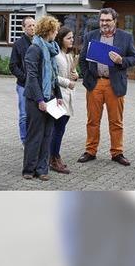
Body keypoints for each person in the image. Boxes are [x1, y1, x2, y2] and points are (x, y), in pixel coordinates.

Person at [77, 7, 135, 166]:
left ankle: (117, 152)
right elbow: (82, 59)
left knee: (116, 121)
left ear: (114, 21)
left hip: (114, 84)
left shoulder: (125, 37)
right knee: (92, 121)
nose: (104, 23)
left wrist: (121, 61)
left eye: (107, 20)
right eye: (102, 20)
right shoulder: (91, 35)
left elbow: (134, 58)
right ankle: (90, 151)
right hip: (95, 83)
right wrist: (87, 77)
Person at [22, 15, 62, 181]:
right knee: (35, 135)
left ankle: (42, 168)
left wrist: (58, 96)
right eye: (55, 31)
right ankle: (29, 170)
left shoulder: (51, 48)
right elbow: (31, 77)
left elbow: (53, 75)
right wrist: (40, 100)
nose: (56, 34)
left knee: (47, 134)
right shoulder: (35, 49)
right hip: (36, 99)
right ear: (48, 31)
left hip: (51, 98)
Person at [50, 26, 78, 174]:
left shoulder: (68, 54)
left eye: (72, 37)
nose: (72, 40)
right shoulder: (55, 55)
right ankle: (53, 158)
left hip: (68, 95)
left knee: (60, 128)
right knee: (58, 129)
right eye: (69, 38)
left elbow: (71, 72)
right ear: (61, 39)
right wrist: (68, 82)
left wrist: (75, 75)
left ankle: (55, 155)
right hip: (58, 96)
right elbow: (53, 76)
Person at [9, 15, 36, 146]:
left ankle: (33, 138)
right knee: (24, 114)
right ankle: (25, 140)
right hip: (23, 85)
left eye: (34, 25)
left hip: (37, 85)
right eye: (29, 25)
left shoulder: (39, 42)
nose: (32, 28)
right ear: (23, 28)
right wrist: (25, 78)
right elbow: (12, 66)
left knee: (35, 114)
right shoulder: (18, 44)